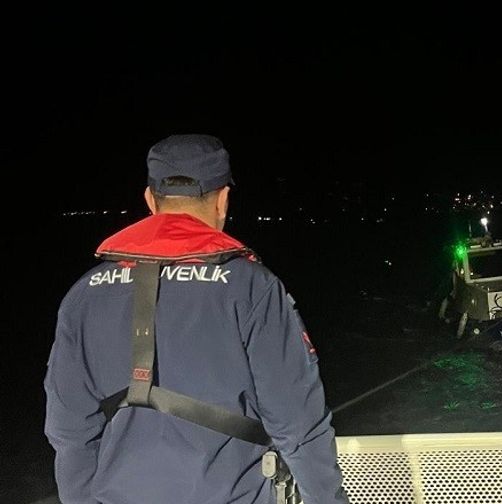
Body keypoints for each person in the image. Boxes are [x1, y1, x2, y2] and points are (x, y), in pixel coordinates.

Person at [44, 134, 349, 503]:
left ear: (149, 200)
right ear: (223, 200)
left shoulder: (83, 295)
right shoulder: (253, 288)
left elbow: (69, 432)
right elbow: (299, 425)